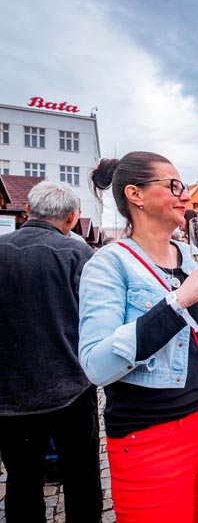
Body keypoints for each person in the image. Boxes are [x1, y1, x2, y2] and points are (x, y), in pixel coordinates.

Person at [79, 152, 198, 523]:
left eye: (184, 185)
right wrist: (177, 302)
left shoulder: (191, 256)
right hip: (149, 435)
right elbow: (96, 365)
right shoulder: (109, 264)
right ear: (135, 194)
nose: (186, 195)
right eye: (173, 186)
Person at [0, 181, 102, 523]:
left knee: (21, 481)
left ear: (28, 210)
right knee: (82, 477)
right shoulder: (77, 254)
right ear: (73, 218)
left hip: (10, 394)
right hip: (70, 388)